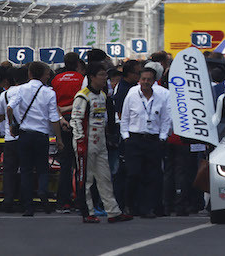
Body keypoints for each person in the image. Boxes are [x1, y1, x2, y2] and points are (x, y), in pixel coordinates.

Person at [72, 62, 132, 223]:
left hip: (100, 142)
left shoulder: (103, 96)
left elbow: (105, 120)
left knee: (105, 177)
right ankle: (87, 212)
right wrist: (80, 142)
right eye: (102, 75)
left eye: (105, 75)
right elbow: (76, 120)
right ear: (92, 77)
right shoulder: (82, 96)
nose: (105, 78)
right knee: (86, 179)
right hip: (85, 142)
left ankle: (113, 211)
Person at [8, 62, 65, 216]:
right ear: (42, 74)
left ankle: (28, 206)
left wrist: (12, 125)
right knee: (42, 169)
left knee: (26, 170)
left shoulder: (21, 89)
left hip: (25, 134)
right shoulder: (49, 93)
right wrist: (58, 139)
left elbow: (9, 107)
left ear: (29, 73)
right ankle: (42, 192)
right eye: (47, 74)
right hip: (41, 135)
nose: (48, 76)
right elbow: (54, 117)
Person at [120, 64, 171, 218]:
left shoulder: (162, 96)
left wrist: (163, 137)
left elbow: (165, 119)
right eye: (143, 79)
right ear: (139, 80)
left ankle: (147, 208)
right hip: (135, 139)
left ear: (154, 81)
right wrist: (126, 137)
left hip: (153, 140)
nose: (145, 82)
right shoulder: (132, 93)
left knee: (152, 176)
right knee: (133, 174)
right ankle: (128, 205)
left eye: (149, 79)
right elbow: (125, 117)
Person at [51, 53, 86, 212]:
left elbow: (52, 103)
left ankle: (62, 202)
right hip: (78, 121)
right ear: (77, 63)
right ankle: (80, 200)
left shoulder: (56, 79)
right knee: (80, 164)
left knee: (65, 164)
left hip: (60, 122)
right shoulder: (82, 79)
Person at [0, 66, 26, 212]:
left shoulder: (5, 94)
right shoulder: (28, 92)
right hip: (26, 135)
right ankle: (25, 199)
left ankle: (8, 200)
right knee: (26, 169)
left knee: (9, 170)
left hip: (10, 137)